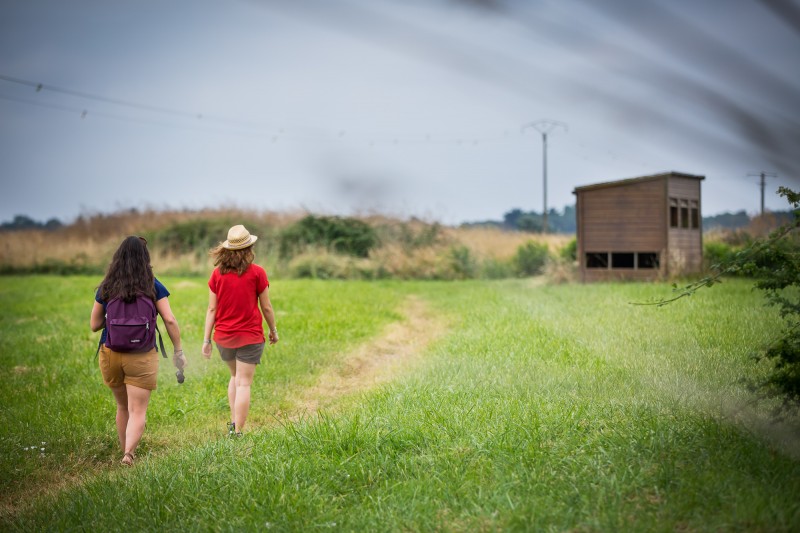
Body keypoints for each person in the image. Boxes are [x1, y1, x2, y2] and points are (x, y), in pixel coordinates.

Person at [90, 236, 186, 466]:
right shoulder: (153, 284)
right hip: (142, 354)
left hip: (111, 352)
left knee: (123, 406)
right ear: (146, 258)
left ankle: (125, 449)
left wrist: (115, 321)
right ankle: (128, 454)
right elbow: (170, 320)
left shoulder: (107, 285)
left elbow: (94, 324)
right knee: (138, 409)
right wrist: (178, 351)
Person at [202, 224, 278, 437]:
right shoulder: (257, 273)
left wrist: (206, 340)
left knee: (235, 376)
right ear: (249, 248)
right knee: (244, 382)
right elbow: (266, 307)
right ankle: (237, 431)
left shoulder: (217, 274)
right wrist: (273, 330)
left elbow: (211, 309)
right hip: (250, 336)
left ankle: (233, 423)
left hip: (223, 337)